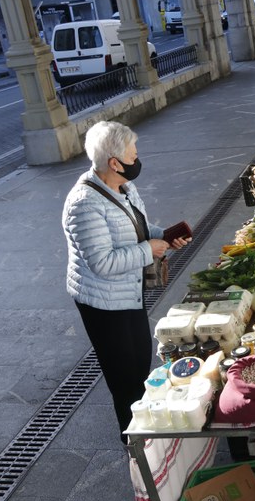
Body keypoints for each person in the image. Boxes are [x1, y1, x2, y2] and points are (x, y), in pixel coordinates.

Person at [62, 120, 191, 444]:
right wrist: (148, 250)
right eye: (133, 156)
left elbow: (138, 227)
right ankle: (135, 446)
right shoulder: (84, 204)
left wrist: (163, 237)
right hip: (103, 304)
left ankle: (147, 432)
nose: (138, 160)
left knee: (139, 366)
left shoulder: (123, 187)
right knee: (124, 380)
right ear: (114, 163)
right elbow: (102, 263)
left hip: (128, 294)